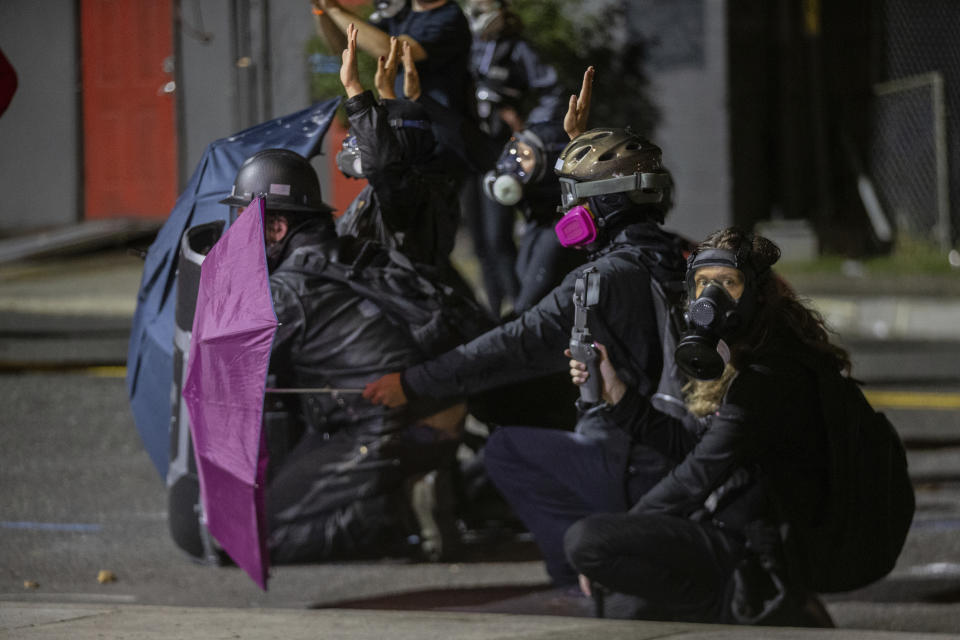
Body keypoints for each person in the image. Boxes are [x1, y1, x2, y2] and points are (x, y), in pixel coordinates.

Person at [363, 69, 690, 581]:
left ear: (601, 203)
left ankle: (583, 565)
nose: (567, 207)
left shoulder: (600, 281)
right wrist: (576, 142)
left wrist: (411, 384)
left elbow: (511, 347)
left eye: (577, 195)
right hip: (686, 446)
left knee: (505, 447)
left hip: (635, 456)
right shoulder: (686, 257)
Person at [562, 227, 843, 626]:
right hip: (733, 524)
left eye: (728, 283)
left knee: (588, 544)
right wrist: (615, 393)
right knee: (621, 602)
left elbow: (699, 473)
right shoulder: (748, 351)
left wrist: (627, 531)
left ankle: (741, 603)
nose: (711, 298)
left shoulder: (769, 375)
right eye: (703, 283)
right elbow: (695, 447)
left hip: (760, 543)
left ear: (758, 293)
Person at [217, 148, 470, 563]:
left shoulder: (289, 290)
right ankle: (433, 488)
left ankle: (400, 513)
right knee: (285, 494)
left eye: (247, 224)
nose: (238, 235)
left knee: (242, 540)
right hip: (433, 416)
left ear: (278, 227)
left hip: (381, 431)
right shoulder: (351, 249)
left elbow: (235, 367)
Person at [335, 25, 466, 294]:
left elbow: (384, 166)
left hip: (396, 308)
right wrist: (389, 98)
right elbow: (389, 155)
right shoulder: (430, 179)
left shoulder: (406, 198)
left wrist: (355, 90)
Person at [461, 0, 566, 316]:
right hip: (471, 150)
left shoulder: (516, 48)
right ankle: (493, 312)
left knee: (497, 238)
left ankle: (521, 312)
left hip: (502, 152)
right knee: (479, 241)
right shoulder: (467, 47)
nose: (476, 9)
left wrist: (527, 130)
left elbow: (553, 90)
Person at [481, 119, 586, 312]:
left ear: (549, 167)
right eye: (515, 153)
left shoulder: (559, 232)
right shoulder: (538, 215)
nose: (514, 163)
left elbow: (526, 308)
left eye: (526, 157)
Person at [311, 0, 472, 119]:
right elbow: (344, 44)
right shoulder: (402, 10)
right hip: (404, 119)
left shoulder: (449, 17)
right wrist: (323, 9)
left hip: (440, 125)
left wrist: (333, 10)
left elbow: (389, 51)